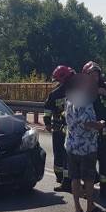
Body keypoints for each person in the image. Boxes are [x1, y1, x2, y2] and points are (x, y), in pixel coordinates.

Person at [64, 73, 106, 212]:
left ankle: (77, 208)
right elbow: (87, 123)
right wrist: (99, 124)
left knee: (75, 178)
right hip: (86, 146)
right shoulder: (86, 103)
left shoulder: (69, 100)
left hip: (71, 145)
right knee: (88, 178)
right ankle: (90, 205)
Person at [82, 61, 106, 199]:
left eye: (96, 75)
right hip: (87, 135)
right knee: (88, 162)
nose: (94, 78)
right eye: (91, 75)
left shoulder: (105, 89)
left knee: (105, 161)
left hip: (103, 134)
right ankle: (89, 189)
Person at [45, 65, 76, 193]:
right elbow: (48, 109)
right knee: (59, 154)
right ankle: (61, 178)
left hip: (70, 130)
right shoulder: (54, 94)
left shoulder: (75, 91)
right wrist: (47, 122)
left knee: (67, 155)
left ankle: (67, 181)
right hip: (58, 129)